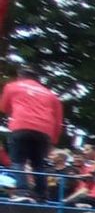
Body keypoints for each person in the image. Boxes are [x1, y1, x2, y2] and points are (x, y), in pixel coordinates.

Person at [0, 67, 63, 201]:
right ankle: (42, 194)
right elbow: (58, 120)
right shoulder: (51, 95)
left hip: (21, 126)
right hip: (45, 131)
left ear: (20, 76)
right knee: (38, 164)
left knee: (18, 161)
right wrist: (54, 141)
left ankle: (22, 192)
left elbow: (3, 107)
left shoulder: (12, 86)